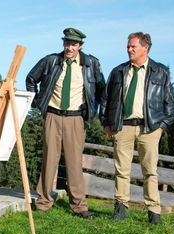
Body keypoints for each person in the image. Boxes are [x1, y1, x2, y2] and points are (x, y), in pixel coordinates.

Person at [25, 28, 106, 219]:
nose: (69, 47)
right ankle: (44, 202)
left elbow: (102, 91)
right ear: (63, 43)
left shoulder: (91, 64)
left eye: (74, 44)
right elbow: (30, 78)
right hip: (52, 116)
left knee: (74, 163)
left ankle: (79, 206)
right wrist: (36, 101)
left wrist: (94, 113)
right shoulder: (51, 60)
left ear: (80, 46)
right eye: (67, 43)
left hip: (76, 119)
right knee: (49, 160)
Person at [100, 32, 174, 224]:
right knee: (121, 170)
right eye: (128, 46)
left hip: (149, 129)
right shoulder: (118, 71)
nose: (129, 49)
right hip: (122, 127)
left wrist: (161, 127)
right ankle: (120, 208)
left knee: (150, 171)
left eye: (133, 46)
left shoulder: (160, 72)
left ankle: (153, 212)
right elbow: (106, 100)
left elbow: (170, 105)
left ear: (145, 47)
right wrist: (106, 123)